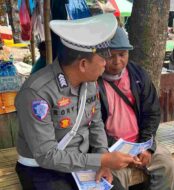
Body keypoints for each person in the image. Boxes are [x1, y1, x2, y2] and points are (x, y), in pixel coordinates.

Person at [15, 14, 141, 190]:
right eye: (103, 58)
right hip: (42, 168)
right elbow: (47, 156)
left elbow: (96, 124)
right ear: (83, 64)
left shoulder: (90, 84)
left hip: (83, 161)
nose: (107, 63)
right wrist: (102, 160)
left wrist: (102, 159)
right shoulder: (37, 93)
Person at [98, 27, 174, 190]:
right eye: (111, 55)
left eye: (122, 54)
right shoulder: (93, 81)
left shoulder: (138, 75)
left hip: (140, 141)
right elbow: (92, 125)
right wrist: (118, 150)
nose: (117, 61)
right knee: (114, 179)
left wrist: (147, 146)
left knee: (167, 165)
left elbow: (152, 112)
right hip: (110, 147)